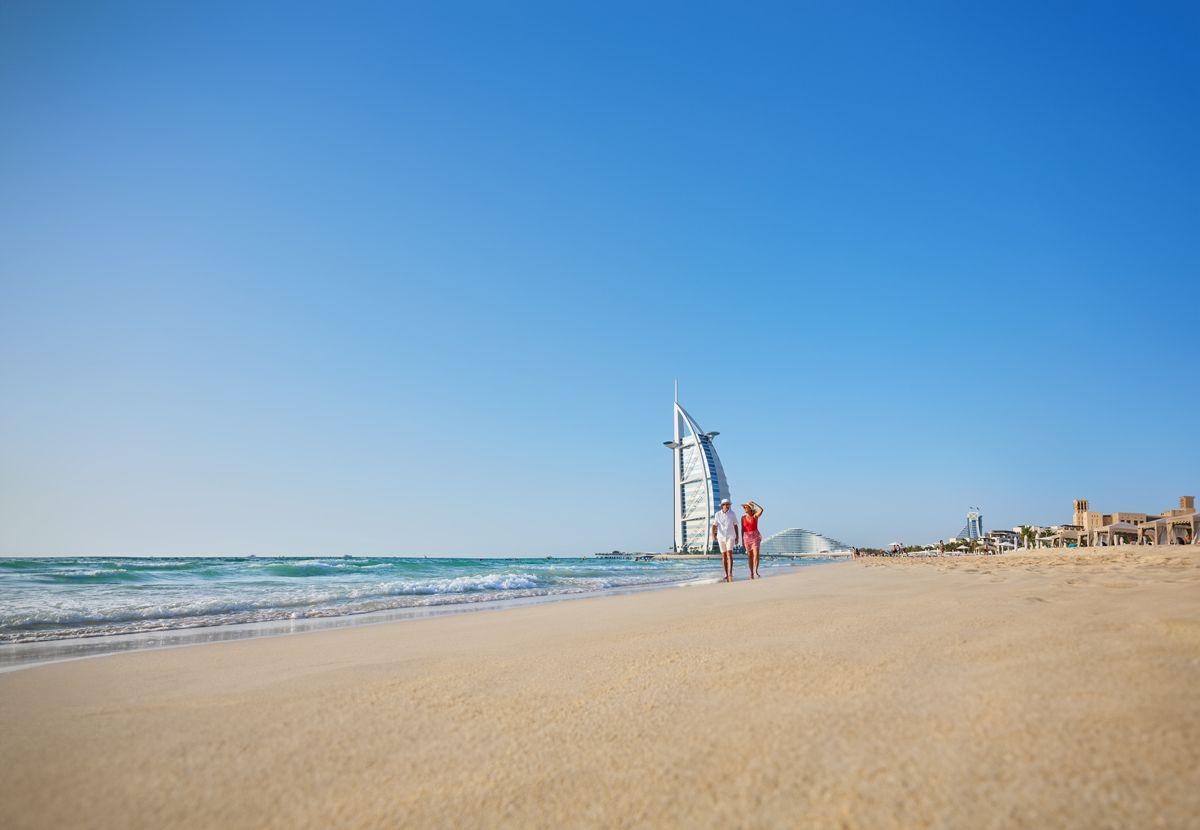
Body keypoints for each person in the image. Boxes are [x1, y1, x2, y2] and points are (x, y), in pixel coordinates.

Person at [711, 498, 740, 582]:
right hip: (721, 537)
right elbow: (714, 525)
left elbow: (735, 526)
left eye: (728, 504)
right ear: (722, 506)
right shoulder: (717, 514)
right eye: (726, 504)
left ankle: (730, 573)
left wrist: (737, 537)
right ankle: (726, 574)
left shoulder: (732, 514)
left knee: (729, 554)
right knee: (723, 556)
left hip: (730, 536)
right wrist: (713, 535)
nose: (727, 506)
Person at [741, 501, 764, 579]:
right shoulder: (743, 518)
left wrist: (754, 503)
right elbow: (742, 529)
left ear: (750, 508)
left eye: (746, 507)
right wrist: (742, 540)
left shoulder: (755, 516)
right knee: (749, 556)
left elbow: (761, 509)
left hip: (755, 537)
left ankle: (756, 571)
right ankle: (751, 572)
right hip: (746, 537)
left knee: (756, 554)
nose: (744, 508)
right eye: (744, 507)